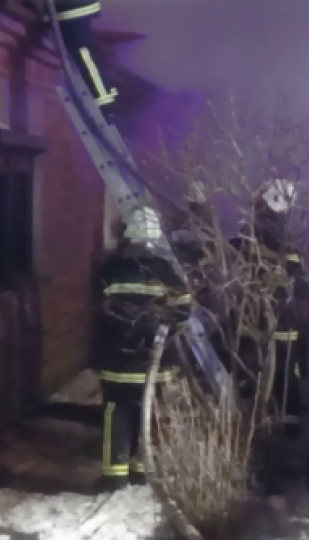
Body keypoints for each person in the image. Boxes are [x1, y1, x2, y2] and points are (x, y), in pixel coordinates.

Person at [93, 205, 190, 491]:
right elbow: (183, 310)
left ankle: (114, 475)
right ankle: (142, 470)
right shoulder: (165, 271)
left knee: (117, 412)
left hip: (118, 360)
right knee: (150, 413)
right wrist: (165, 332)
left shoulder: (110, 269)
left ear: (127, 233)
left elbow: (96, 310)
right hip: (154, 362)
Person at [231, 179, 309, 439]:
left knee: (261, 371)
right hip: (283, 318)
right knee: (285, 376)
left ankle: (262, 429)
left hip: (260, 317)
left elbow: (238, 255)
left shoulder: (257, 232)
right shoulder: (284, 236)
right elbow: (299, 282)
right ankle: (287, 431)